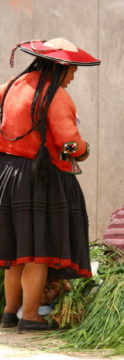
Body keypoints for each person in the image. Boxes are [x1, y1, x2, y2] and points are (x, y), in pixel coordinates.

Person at [0, 38, 100, 333]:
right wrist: (84, 150)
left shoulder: (10, 87)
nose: (72, 78)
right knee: (37, 251)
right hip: (39, 178)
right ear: (60, 67)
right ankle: (30, 315)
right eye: (71, 72)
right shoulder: (54, 96)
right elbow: (69, 142)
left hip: (8, 174)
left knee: (17, 252)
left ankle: (9, 312)